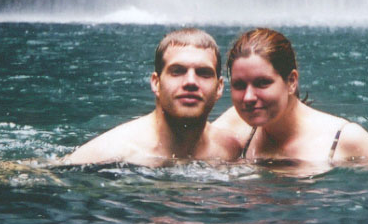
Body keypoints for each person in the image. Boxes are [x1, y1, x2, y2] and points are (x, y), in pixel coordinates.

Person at [214, 27, 368, 177]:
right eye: (239, 85)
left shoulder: (346, 139)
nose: (248, 97)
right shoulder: (236, 125)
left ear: (291, 81)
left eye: (263, 83)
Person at [61, 28, 242, 166]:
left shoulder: (230, 149)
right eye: (177, 71)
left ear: (219, 88)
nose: (190, 82)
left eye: (203, 73)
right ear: (156, 83)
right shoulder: (111, 153)